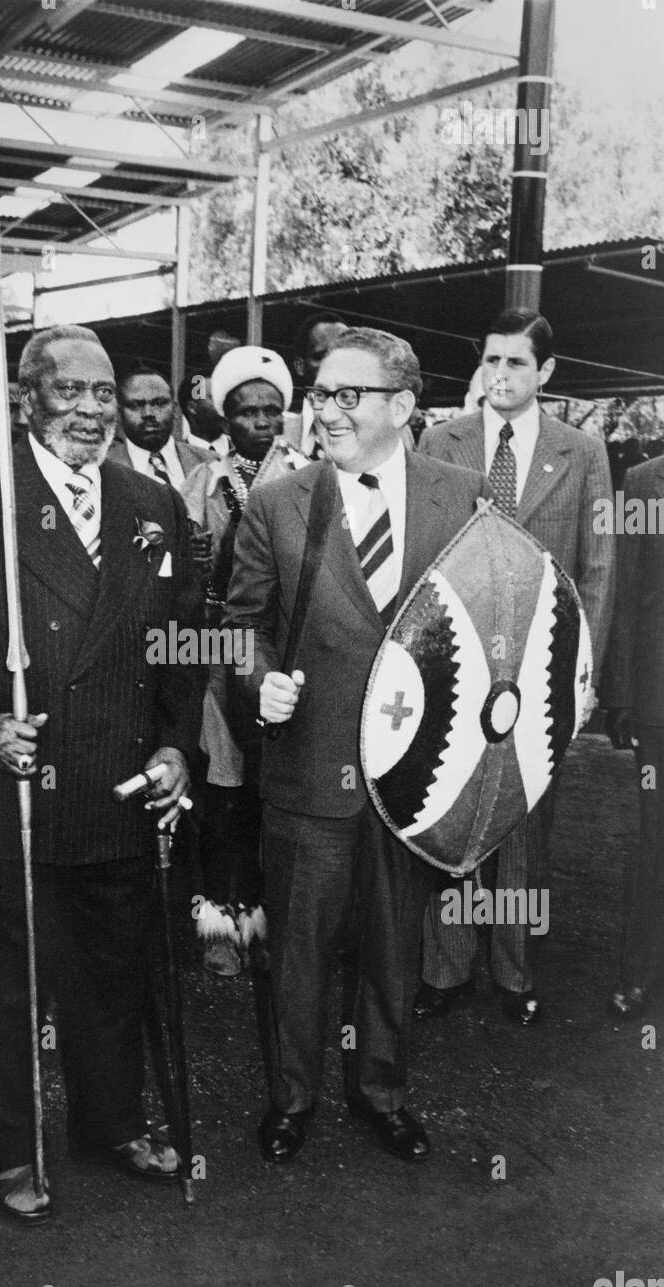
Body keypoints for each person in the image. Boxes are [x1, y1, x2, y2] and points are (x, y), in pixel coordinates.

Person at [0, 324, 205, 1223]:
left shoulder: (154, 505)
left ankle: (110, 1124)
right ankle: (8, 1150)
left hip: (116, 792)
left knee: (110, 976)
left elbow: (178, 643)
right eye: (70, 392)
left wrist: (180, 745)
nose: (92, 412)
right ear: (26, 400)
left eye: (105, 394)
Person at [227, 326, 487, 1165]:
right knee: (297, 949)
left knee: (392, 946)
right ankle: (292, 1098)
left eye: (350, 395)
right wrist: (256, 681)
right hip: (308, 770)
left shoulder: (467, 497)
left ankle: (382, 1091)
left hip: (418, 775)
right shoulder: (276, 503)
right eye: (321, 393)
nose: (326, 410)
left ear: (403, 406)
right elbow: (240, 629)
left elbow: (496, 626)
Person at [415, 308, 615, 1026]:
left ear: (546, 373)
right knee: (451, 806)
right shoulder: (440, 441)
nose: (499, 376)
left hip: (542, 667)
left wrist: (581, 675)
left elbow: (596, 571)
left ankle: (513, 971)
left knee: (525, 820)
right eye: (491, 361)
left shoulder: (581, 453)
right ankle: (443, 968)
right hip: (461, 660)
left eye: (516, 364)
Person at [182, 346, 306, 978]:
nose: (260, 422)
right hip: (216, 642)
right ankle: (221, 917)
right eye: (245, 411)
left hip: (286, 647)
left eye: (271, 410)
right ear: (223, 417)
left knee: (277, 784)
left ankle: (273, 912)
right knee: (222, 783)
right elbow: (178, 563)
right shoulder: (203, 480)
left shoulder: (308, 475)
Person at [602, 454, 664, 1017]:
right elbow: (624, 589)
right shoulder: (645, 482)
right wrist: (620, 692)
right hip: (658, 703)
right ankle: (640, 974)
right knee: (656, 840)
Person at [106, 365, 208, 488]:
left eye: (158, 403)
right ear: (119, 413)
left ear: (175, 410)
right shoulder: (102, 469)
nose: (148, 413)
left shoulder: (210, 463)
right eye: (136, 405)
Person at [282, 312, 349, 459]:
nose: (334, 363)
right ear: (300, 366)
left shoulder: (383, 429)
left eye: (342, 355)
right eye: (321, 356)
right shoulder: (278, 435)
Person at [178, 372, 230, 458]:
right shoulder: (176, 459)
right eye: (216, 398)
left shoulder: (246, 451)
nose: (225, 405)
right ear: (192, 407)